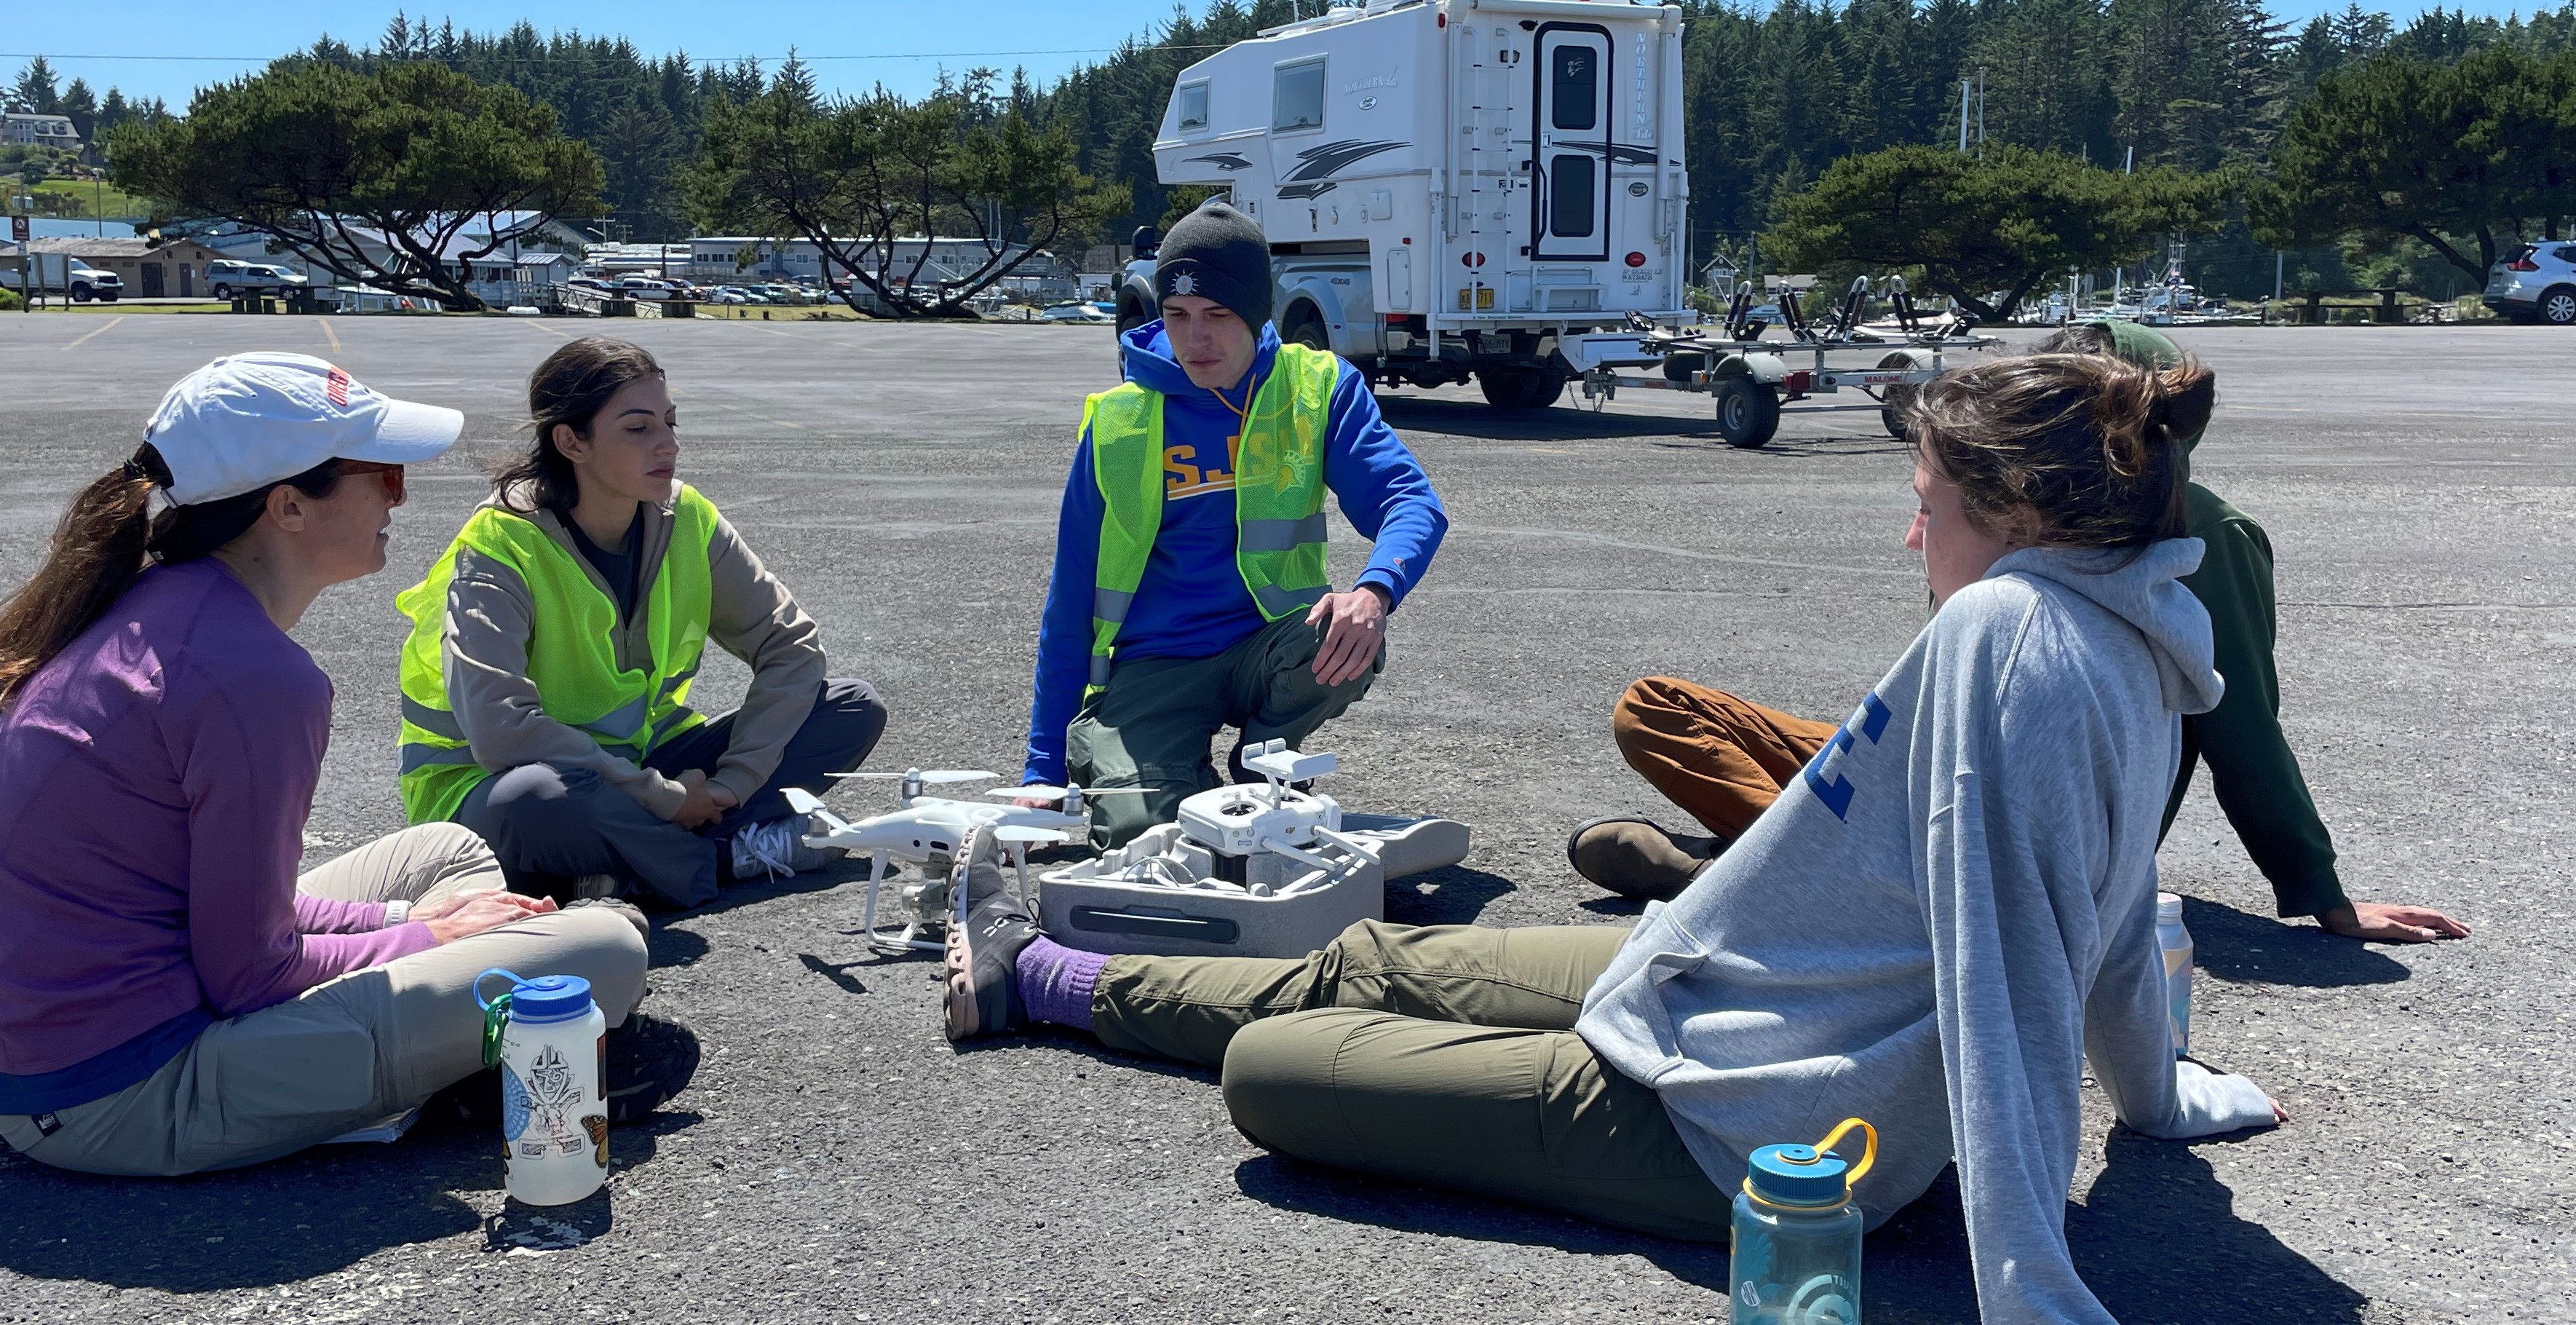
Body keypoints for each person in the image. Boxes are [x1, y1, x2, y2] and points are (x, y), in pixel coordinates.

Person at [943, 352, 2280, 1322]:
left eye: (1925, 495)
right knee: (1362, 959)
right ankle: (1037, 955)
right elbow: (2117, 907)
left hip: (1750, 1122)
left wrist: (2033, 1292)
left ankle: (1053, 984)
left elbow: (2015, 971)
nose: (1908, 524)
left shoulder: (2013, 640)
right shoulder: (2133, 637)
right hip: (1709, 977)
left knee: (1276, 1072)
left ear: (2025, 515)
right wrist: (2157, 1100)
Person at [0, 353, 651, 1176]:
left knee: (445, 851)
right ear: (288, 505)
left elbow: (224, 921)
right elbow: (251, 970)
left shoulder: (154, 605)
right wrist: (430, 935)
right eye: (384, 476)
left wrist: (416, 931)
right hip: (115, 1097)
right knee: (607, 945)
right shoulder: (252, 677)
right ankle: (447, 1069)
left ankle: (441, 1052)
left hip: (51, 1056)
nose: (398, 496)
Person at [1571, 320, 2473, 946]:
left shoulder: (2206, 533)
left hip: (2009, 816)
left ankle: (1759, 879)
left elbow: (2243, 731)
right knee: (1656, 707)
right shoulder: (2006, 503)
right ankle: (1796, 860)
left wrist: (2320, 892)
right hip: (1930, 758)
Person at [397, 336, 887, 907]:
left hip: (639, 768)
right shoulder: (500, 544)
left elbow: (790, 647)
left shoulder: (685, 518)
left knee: (850, 706)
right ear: (570, 441)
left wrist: (732, 783)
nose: (669, 445)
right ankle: (726, 857)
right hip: (500, 785)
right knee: (538, 800)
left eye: (671, 423)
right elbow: (501, 731)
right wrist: (662, 798)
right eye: (639, 428)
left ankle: (626, 870)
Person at [1021, 202, 1446, 847]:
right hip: (1154, 665)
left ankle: (1260, 762)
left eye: (1218, 316)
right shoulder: (1118, 420)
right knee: (1145, 838)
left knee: (1347, 632)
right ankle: (1192, 785)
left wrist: (1375, 591)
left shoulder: (1317, 386)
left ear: (1257, 314)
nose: (1195, 339)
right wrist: (1043, 768)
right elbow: (1070, 597)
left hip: (1270, 646)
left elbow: (1411, 501)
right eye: (1177, 315)